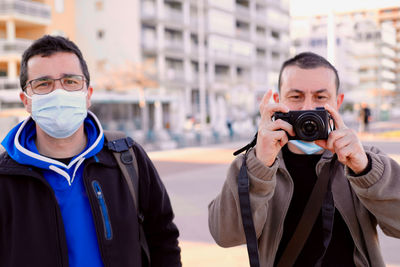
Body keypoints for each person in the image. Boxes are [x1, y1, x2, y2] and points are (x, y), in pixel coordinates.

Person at [0, 35, 181, 267]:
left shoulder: (127, 158)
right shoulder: (5, 178)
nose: (59, 92)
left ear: (88, 94)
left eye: (71, 81)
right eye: (43, 83)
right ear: (26, 100)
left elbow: (163, 238)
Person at [208, 52, 400, 266]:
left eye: (320, 97)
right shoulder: (255, 163)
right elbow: (225, 235)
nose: (307, 107)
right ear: (278, 101)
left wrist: (365, 170)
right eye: (296, 97)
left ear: (337, 102)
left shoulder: (364, 160)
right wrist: (259, 166)